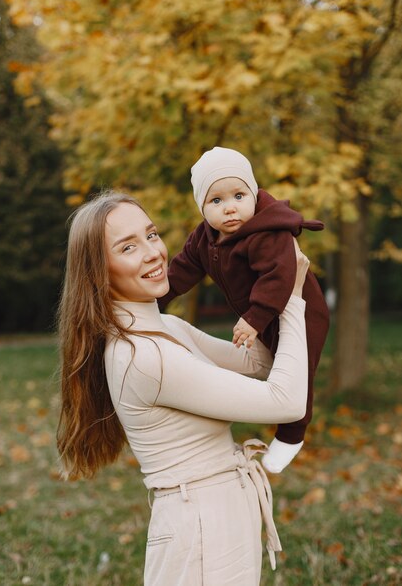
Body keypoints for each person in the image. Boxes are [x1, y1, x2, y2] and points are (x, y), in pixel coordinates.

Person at [57, 190, 309, 586]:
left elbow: (257, 362)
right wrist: (291, 299)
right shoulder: (143, 355)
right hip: (201, 528)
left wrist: (262, 286)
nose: (153, 253)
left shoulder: (165, 327)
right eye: (128, 247)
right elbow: (286, 401)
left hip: (220, 513)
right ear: (98, 272)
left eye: (152, 235)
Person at [158, 147, 330, 474]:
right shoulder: (203, 240)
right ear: (202, 207)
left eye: (239, 195)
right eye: (216, 201)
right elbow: (180, 272)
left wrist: (253, 318)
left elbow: (279, 276)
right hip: (263, 317)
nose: (230, 208)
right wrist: (154, 301)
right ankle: (250, 391)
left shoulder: (268, 233)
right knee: (267, 362)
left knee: (299, 369)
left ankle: (292, 435)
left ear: (253, 193)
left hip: (301, 310)